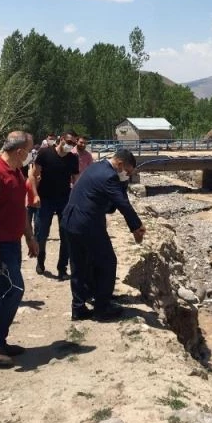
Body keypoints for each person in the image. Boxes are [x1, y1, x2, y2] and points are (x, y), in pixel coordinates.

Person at [0, 131, 38, 367]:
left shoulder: (16, 172)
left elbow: (19, 209)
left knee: (10, 290)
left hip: (11, 243)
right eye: (30, 149)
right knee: (12, 290)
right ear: (20, 151)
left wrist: (29, 236)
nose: (31, 154)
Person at [62, 149, 146, 321]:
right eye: (127, 172)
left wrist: (124, 181)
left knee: (80, 266)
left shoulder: (97, 167)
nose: (127, 175)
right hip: (87, 225)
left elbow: (113, 201)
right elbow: (122, 204)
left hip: (71, 222)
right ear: (120, 164)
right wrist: (136, 227)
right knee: (107, 262)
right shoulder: (109, 176)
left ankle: (79, 308)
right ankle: (102, 307)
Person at [30, 131, 79, 279]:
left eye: (73, 144)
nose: (71, 145)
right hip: (45, 199)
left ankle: (62, 268)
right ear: (62, 139)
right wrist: (35, 195)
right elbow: (33, 175)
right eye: (69, 142)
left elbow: (76, 180)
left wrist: (76, 199)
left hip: (64, 200)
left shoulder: (73, 159)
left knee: (66, 235)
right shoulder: (45, 154)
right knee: (42, 234)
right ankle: (40, 260)